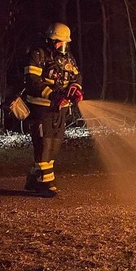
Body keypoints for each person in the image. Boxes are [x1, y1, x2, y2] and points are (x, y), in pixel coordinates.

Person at [22, 22, 84, 197]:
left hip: (60, 110)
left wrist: (75, 88)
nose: (61, 46)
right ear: (50, 40)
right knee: (43, 145)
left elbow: (76, 75)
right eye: (58, 42)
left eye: (64, 43)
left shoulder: (68, 58)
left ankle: (34, 178)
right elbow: (32, 81)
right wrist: (52, 95)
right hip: (41, 109)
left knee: (54, 146)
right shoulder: (37, 55)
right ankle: (45, 183)